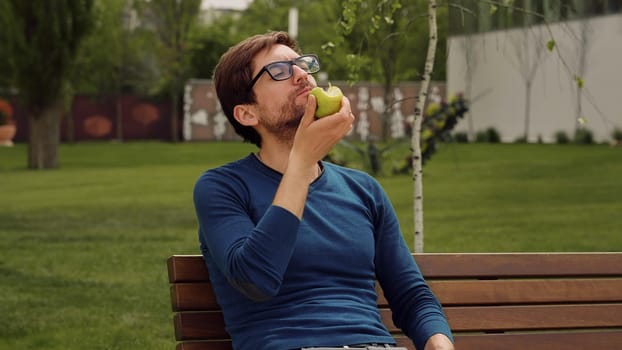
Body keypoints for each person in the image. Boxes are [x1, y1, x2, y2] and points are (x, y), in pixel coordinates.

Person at [193, 31, 454, 350]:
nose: (302, 75)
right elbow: (256, 279)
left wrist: (440, 345)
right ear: (248, 113)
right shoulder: (223, 187)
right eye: (279, 71)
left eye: (302, 65)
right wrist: (302, 161)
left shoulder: (363, 190)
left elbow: (411, 296)